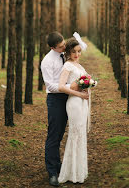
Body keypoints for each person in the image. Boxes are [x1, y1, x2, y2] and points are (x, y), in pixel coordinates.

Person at [41, 31, 88, 187]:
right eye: (61, 47)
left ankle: (66, 166)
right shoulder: (47, 62)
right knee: (54, 135)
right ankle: (53, 172)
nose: (64, 48)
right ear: (54, 47)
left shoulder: (65, 55)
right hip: (56, 100)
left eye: (64, 44)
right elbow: (50, 86)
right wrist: (71, 86)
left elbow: (79, 48)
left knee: (69, 132)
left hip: (71, 98)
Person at [58, 33, 90, 184]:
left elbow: (82, 82)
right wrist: (78, 93)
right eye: (74, 52)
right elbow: (61, 87)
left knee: (81, 134)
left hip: (82, 102)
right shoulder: (67, 65)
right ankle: (70, 172)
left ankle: (78, 171)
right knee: (75, 134)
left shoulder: (79, 66)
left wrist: (89, 85)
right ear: (68, 52)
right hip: (74, 103)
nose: (77, 54)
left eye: (79, 51)